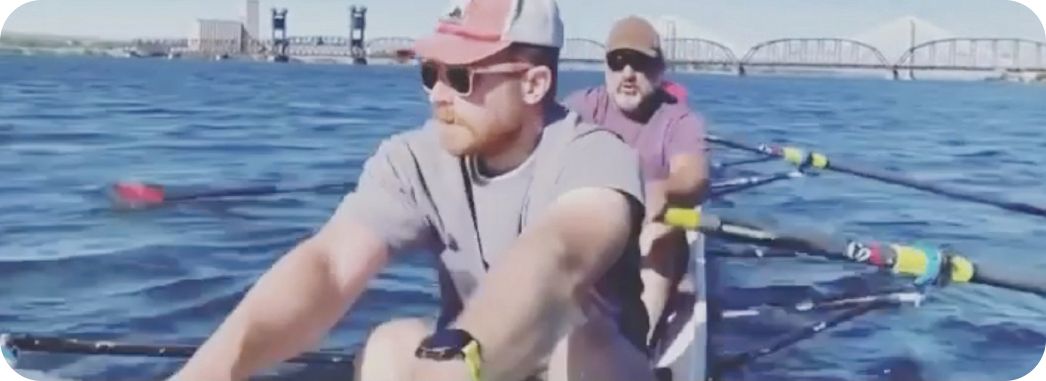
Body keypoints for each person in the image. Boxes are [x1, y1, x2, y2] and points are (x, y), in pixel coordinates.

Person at [168, 1, 658, 380]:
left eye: (461, 77)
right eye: (430, 73)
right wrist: (206, 372)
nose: (438, 95)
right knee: (389, 345)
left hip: (578, 366)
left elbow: (557, 258)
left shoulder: (596, 156)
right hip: (472, 367)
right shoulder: (414, 159)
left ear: (534, 84)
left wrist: (456, 365)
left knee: (584, 343)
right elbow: (329, 266)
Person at [563, 15, 710, 352]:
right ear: (606, 68)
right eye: (618, 61)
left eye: (640, 62)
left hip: (647, 236)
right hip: (594, 229)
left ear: (659, 70)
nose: (628, 73)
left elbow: (694, 175)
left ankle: (637, 347)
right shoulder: (582, 106)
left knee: (659, 233)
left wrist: (661, 190)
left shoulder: (679, 120)